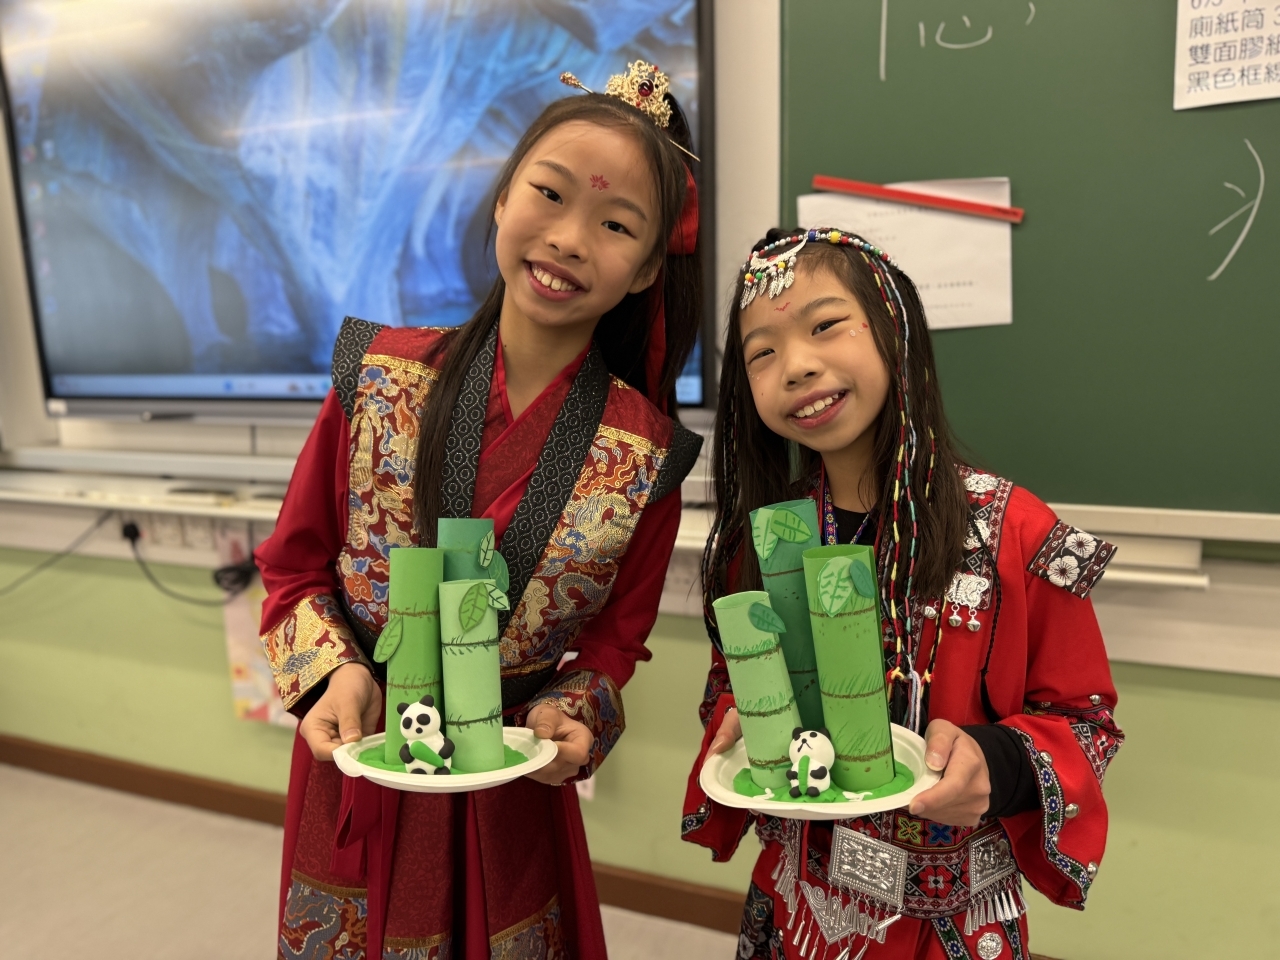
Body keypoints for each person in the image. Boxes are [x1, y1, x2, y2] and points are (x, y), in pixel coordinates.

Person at [256, 63, 704, 960]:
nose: (570, 238)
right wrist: (334, 677)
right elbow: (293, 566)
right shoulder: (376, 378)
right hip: (366, 748)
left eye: (616, 224)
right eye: (550, 193)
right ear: (502, 199)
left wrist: (573, 713)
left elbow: (613, 643)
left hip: (508, 779)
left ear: (650, 266)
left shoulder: (647, 456)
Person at [682, 228, 1124, 960]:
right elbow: (726, 684)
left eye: (826, 325)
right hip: (796, 904)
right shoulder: (763, 541)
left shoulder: (1015, 531)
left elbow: (1088, 722)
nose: (796, 365)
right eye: (761, 353)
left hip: (950, 926)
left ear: (896, 333)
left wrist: (998, 763)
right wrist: (739, 715)